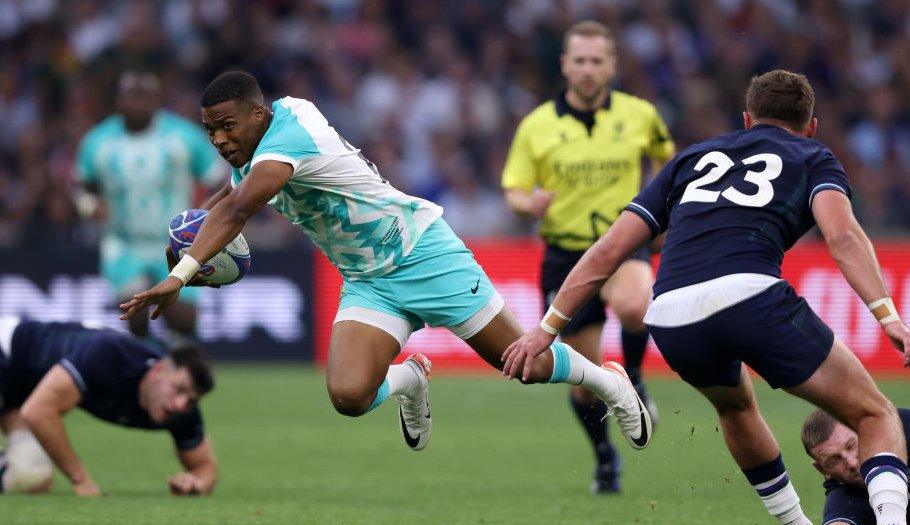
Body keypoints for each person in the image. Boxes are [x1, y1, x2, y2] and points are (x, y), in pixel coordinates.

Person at [502, 70, 910, 525]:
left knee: (735, 407)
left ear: (747, 120)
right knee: (874, 412)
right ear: (811, 125)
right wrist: (887, 316)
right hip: (750, 294)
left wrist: (545, 330)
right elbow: (843, 236)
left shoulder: (692, 156)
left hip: (669, 312)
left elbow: (607, 251)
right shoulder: (814, 156)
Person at [118, 71, 652, 456]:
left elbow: (238, 207)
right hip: (369, 281)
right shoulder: (254, 155)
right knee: (349, 396)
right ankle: (412, 380)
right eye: (210, 130)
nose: (218, 140)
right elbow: (224, 198)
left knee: (524, 366)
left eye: (227, 126)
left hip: (423, 252)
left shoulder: (293, 128)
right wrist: (185, 239)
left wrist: (179, 275)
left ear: (258, 114)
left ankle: (609, 383)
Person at [501, 20, 673, 494]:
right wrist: (528, 203)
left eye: (597, 60)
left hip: (621, 241)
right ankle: (604, 457)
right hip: (566, 253)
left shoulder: (640, 114)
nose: (588, 69)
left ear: (612, 65)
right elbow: (513, 188)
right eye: (579, 60)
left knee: (638, 304)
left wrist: (657, 203)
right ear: (564, 65)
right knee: (584, 381)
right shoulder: (538, 124)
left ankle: (635, 382)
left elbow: (666, 155)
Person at [75, 71, 226, 345]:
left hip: (175, 242)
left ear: (157, 100)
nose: (137, 104)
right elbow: (83, 187)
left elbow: (216, 179)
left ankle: (176, 361)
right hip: (123, 242)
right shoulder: (98, 141)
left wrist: (203, 215)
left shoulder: (183, 136)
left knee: (182, 317)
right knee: (134, 314)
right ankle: (150, 366)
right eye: (131, 97)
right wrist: (89, 207)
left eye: (144, 97)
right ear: (119, 101)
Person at [0, 317, 217, 496]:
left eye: (192, 399)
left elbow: (206, 466)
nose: (181, 403)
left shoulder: (180, 410)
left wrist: (197, 483)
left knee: (29, 477)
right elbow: (38, 411)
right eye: (178, 389)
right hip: (6, 352)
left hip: (19, 394)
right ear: (158, 370)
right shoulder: (110, 354)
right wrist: (81, 480)